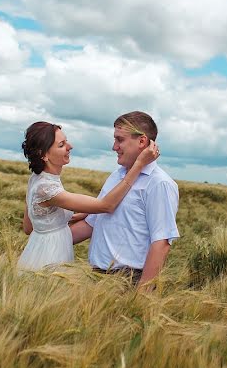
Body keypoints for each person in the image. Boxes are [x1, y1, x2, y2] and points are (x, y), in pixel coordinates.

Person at [17, 121, 159, 271]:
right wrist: (139, 165)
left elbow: (29, 227)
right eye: (61, 145)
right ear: (43, 155)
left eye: (66, 141)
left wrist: (61, 220)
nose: (69, 146)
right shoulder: (47, 188)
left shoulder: (36, 179)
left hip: (38, 250)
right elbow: (107, 205)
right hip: (50, 257)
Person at [70, 111, 180, 288]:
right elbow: (93, 223)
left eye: (119, 139)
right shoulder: (117, 176)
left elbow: (161, 242)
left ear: (142, 141)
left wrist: (142, 296)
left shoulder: (160, 183)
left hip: (129, 281)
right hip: (97, 277)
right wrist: (48, 240)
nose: (114, 147)